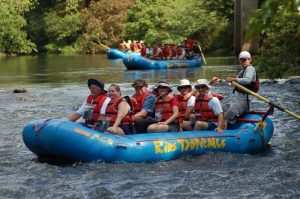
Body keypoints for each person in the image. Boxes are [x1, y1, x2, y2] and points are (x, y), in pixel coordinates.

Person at [211, 51, 259, 129]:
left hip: (244, 102)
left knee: (226, 115)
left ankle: (225, 125)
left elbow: (248, 80)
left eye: (245, 60)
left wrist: (234, 79)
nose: (244, 62)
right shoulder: (242, 72)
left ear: (250, 60)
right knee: (220, 108)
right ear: (239, 61)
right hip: (237, 101)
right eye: (242, 60)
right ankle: (232, 120)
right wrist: (219, 81)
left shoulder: (250, 68)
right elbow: (231, 84)